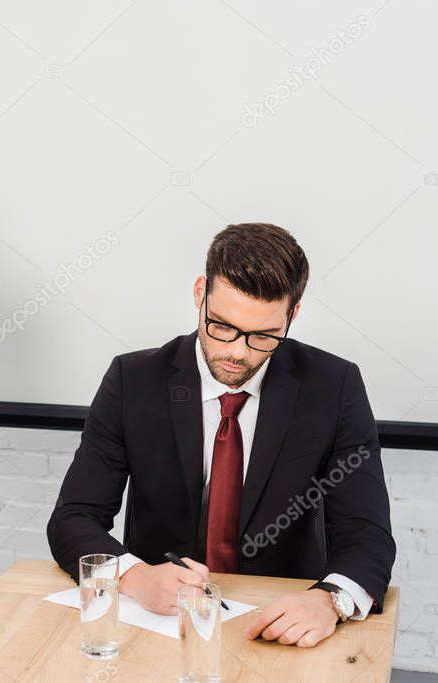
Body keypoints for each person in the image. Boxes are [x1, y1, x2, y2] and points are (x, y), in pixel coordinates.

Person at [47, 223, 395, 648]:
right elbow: (73, 517)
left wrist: (330, 601)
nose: (237, 351)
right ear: (200, 293)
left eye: (263, 336)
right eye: (221, 326)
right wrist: (136, 577)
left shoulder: (334, 385)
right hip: (161, 621)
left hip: (281, 622)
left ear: (293, 316)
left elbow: (367, 531)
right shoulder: (133, 380)